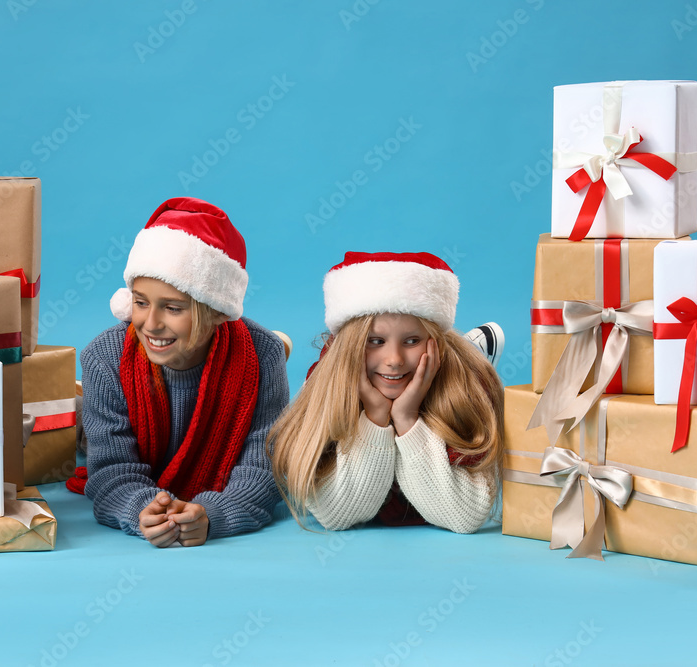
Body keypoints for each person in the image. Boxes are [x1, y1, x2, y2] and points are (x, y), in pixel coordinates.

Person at [76, 197, 289, 547]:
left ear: (218, 311)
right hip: (124, 434)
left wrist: (213, 515)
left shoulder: (263, 354)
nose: (151, 323)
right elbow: (111, 470)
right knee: (86, 426)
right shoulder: (104, 357)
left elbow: (263, 467)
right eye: (141, 302)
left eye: (173, 308)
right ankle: (76, 411)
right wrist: (143, 509)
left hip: (214, 479)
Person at [268, 251, 505, 533]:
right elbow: (339, 516)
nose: (394, 359)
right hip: (346, 383)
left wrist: (406, 418)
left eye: (412, 340)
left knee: (466, 374)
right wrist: (376, 416)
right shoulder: (326, 389)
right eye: (376, 341)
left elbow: (463, 518)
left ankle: (467, 352)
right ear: (350, 346)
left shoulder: (463, 388)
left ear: (434, 344)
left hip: (445, 379)